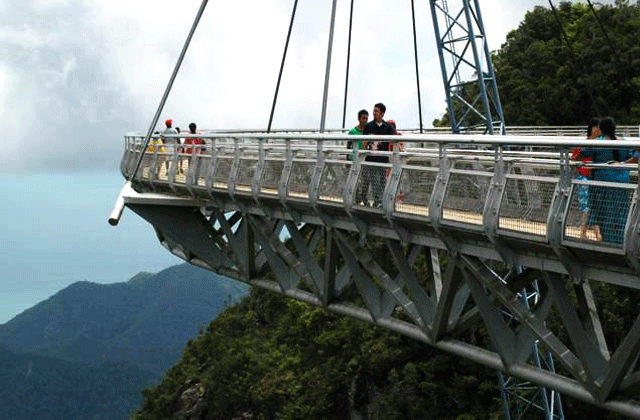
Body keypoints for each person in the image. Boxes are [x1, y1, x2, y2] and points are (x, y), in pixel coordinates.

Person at [578, 117, 633, 244]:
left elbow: (580, 154)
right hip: (622, 183)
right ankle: (621, 242)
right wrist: (622, 164)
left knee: (605, 215)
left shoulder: (599, 142)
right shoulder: (623, 141)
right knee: (621, 213)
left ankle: (608, 243)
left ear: (601, 129)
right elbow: (634, 156)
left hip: (602, 184)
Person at [360, 103, 396, 206]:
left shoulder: (387, 127)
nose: (374, 113)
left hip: (383, 159)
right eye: (374, 111)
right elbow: (364, 142)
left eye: (376, 111)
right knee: (374, 180)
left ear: (382, 113)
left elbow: (394, 141)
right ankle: (380, 201)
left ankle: (379, 201)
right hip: (372, 159)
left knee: (382, 181)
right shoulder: (369, 126)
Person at [571, 118, 599, 240]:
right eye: (596, 127)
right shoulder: (584, 144)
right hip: (585, 178)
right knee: (587, 207)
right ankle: (586, 233)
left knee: (594, 207)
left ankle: (594, 234)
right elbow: (574, 158)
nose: (598, 130)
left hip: (595, 179)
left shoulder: (601, 144)